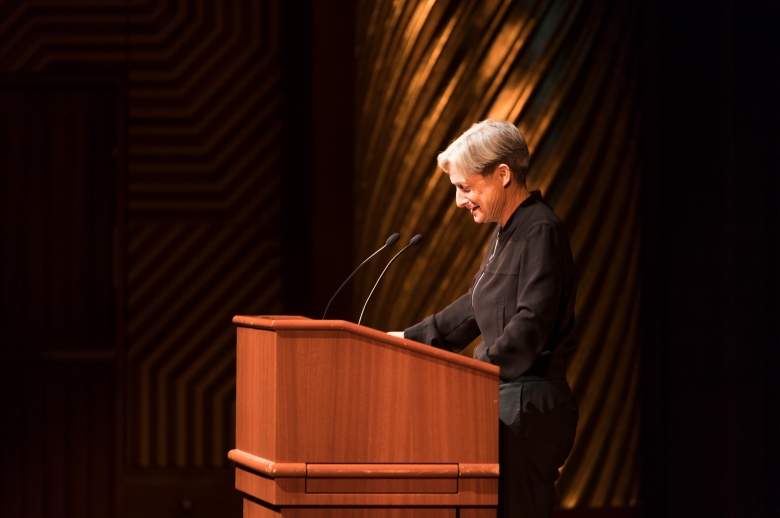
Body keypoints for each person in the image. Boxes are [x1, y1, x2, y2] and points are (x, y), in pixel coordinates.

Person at [402, 120, 578, 518]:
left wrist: (470, 376)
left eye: (466, 188)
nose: (460, 201)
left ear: (503, 174)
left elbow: (530, 325)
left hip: (529, 408)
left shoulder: (541, 230)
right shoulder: (506, 232)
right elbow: (473, 307)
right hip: (502, 401)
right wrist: (402, 340)